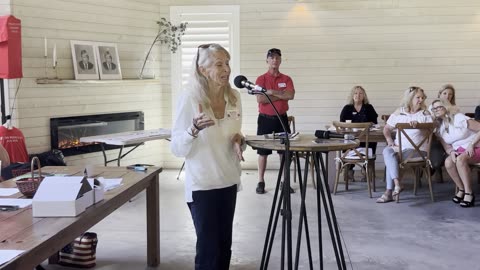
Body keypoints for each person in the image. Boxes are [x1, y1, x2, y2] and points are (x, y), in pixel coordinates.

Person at [170, 43, 245, 269]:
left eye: (228, 63)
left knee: (224, 247)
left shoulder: (235, 97)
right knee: (208, 249)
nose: (227, 69)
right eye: (219, 64)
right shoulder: (190, 98)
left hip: (229, 180)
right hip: (202, 185)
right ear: (203, 69)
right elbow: (176, 148)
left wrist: (238, 141)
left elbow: (234, 134)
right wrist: (193, 130)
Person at [377, 86, 433, 203]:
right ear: (410, 98)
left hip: (418, 151)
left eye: (422, 97)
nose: (421, 100)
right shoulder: (399, 113)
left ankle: (389, 192)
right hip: (399, 149)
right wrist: (389, 140)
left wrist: (419, 126)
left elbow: (430, 133)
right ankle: (397, 184)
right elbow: (386, 129)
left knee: (391, 158)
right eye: (418, 97)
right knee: (387, 151)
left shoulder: (425, 114)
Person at [255, 48, 295, 194]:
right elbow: (260, 98)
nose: (274, 60)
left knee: (284, 152)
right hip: (265, 120)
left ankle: (284, 181)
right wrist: (280, 95)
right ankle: (261, 181)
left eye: (277, 58)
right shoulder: (261, 79)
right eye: (271, 58)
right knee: (263, 152)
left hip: (281, 119)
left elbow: (290, 95)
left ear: (280, 60)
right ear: (267, 60)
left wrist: (272, 93)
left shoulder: (286, 79)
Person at [432, 99, 480, 207]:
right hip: (460, 151)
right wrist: (452, 152)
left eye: (439, 107)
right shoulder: (440, 127)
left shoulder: (458, 118)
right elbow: (447, 146)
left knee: (461, 160)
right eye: (434, 108)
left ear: (446, 106)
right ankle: (461, 189)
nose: (437, 110)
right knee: (448, 162)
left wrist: (471, 144)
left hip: (476, 146)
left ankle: (469, 193)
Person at [339, 85, 378, 181]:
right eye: (355, 93)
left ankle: (366, 169)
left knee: (372, 141)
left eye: (361, 93)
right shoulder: (347, 108)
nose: (358, 95)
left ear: (364, 96)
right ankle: (349, 169)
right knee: (347, 141)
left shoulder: (369, 107)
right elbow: (342, 124)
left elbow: (374, 123)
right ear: (352, 96)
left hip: (367, 137)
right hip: (351, 138)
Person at [428, 84, 459, 182]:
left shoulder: (454, 108)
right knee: (436, 163)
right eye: (445, 93)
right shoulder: (432, 108)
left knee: (455, 157)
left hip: (452, 140)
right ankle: (431, 167)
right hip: (436, 140)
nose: (447, 96)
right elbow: (429, 127)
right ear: (439, 94)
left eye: (450, 94)